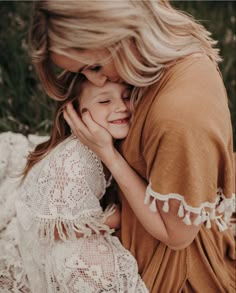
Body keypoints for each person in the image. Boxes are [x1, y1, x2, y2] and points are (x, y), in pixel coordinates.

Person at [28, 0, 235, 292]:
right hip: (129, 215)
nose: (96, 80)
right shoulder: (154, 46)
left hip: (167, 266)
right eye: (84, 73)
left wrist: (109, 155)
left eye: (96, 66)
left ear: (124, 32)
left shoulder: (178, 118)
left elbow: (176, 236)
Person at [16, 78, 148, 293]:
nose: (121, 107)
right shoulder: (77, 159)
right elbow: (54, 228)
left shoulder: (107, 143)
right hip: (56, 240)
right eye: (104, 101)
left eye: (126, 96)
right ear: (77, 113)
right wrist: (113, 219)